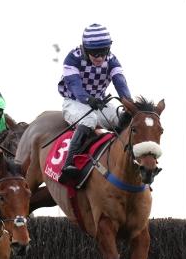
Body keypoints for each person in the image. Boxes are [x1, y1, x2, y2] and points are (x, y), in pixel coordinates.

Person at [57, 23, 133, 183]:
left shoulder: (112, 60)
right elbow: (75, 86)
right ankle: (69, 164)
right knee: (89, 120)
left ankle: (129, 160)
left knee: (123, 119)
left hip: (99, 102)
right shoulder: (72, 58)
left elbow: (120, 82)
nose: (100, 57)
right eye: (95, 53)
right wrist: (88, 99)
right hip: (74, 102)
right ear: (85, 49)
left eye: (104, 51)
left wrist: (129, 104)